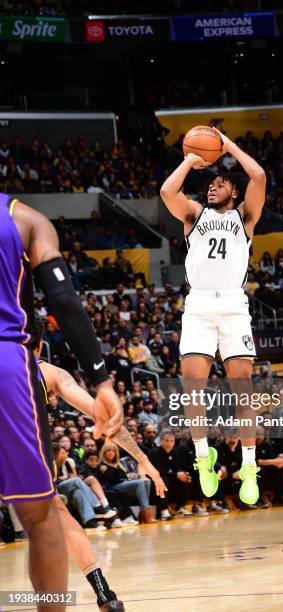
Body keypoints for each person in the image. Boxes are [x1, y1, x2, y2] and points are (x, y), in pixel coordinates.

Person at [0, 194, 123, 611]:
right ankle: (99, 594)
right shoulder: (26, 220)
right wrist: (103, 381)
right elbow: (64, 301)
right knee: (44, 520)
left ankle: (102, 591)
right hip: (8, 371)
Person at [160, 128, 266, 505]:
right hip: (200, 305)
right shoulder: (193, 215)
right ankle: (205, 455)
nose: (212, 188)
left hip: (234, 307)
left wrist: (228, 146)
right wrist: (191, 159)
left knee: (243, 389)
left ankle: (250, 466)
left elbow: (258, 176)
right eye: (211, 183)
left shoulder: (245, 217)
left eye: (220, 183)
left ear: (233, 192)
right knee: (192, 386)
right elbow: (167, 193)